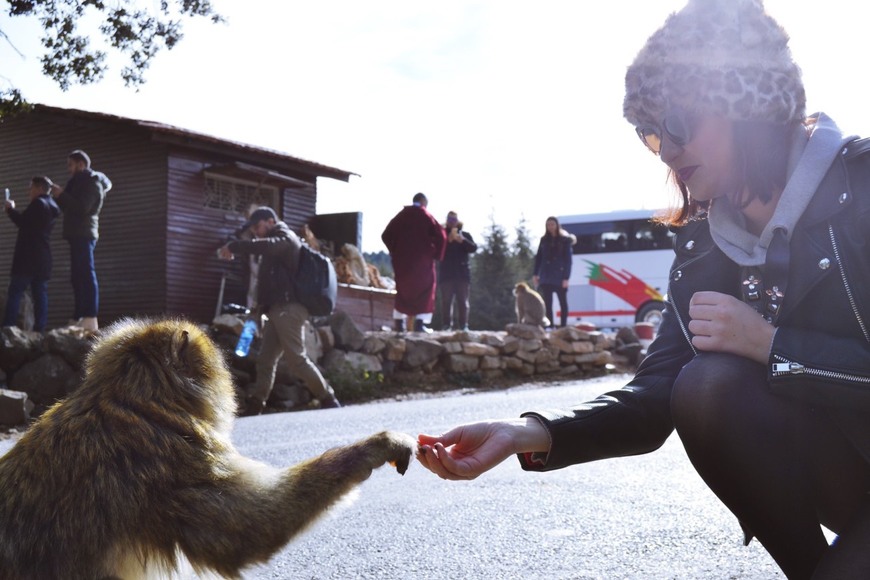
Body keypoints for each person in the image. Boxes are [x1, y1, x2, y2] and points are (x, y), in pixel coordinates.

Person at [416, 1, 870, 577]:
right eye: (650, 134)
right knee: (704, 386)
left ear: (748, 105)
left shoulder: (862, 190)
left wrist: (772, 345)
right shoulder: (709, 243)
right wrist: (528, 432)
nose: (668, 149)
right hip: (850, 475)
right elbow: (657, 394)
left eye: (677, 123)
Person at [219, 206, 340, 414]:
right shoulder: (272, 251)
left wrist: (236, 246)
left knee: (296, 359)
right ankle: (256, 404)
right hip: (276, 311)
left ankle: (328, 398)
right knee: (265, 360)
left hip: (289, 310)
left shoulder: (286, 237)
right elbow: (268, 285)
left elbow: (270, 246)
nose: (256, 232)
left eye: (258, 226)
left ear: (271, 222)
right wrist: (257, 312)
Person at [50, 149, 112, 331]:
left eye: (71, 165)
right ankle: (78, 316)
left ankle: (90, 317)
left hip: (85, 234)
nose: (68, 169)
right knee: (76, 276)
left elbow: (83, 208)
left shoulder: (93, 183)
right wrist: (56, 194)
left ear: (81, 164)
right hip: (75, 234)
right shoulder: (75, 182)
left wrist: (62, 195)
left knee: (86, 274)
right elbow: (66, 205)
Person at [381, 192, 447, 333]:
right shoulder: (426, 216)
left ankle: (399, 324)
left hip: (403, 263)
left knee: (403, 291)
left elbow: (385, 235)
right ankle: (420, 324)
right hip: (422, 263)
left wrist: (395, 251)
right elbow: (441, 235)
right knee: (426, 290)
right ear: (424, 203)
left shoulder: (401, 216)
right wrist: (436, 254)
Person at [2, 176, 61, 332]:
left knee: (15, 292)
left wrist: (10, 210)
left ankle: (8, 328)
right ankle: (39, 330)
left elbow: (24, 223)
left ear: (39, 188)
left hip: (27, 258)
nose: (29, 191)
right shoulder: (53, 206)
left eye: (31, 187)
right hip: (43, 258)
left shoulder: (38, 204)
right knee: (40, 295)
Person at [437, 211, 477, 330]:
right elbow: (437, 250)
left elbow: (473, 248)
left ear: (457, 221)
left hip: (462, 274)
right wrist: (447, 242)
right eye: (450, 220)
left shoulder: (465, 235)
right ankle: (446, 325)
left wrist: (462, 241)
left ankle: (464, 325)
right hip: (446, 274)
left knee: (463, 302)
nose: (452, 223)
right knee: (446, 301)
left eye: (454, 220)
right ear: (447, 221)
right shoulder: (442, 235)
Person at [533, 216, 574, 328]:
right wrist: (535, 274)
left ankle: (563, 326)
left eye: (552, 224)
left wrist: (566, 277)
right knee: (548, 303)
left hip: (560, 276)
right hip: (546, 276)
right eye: (548, 224)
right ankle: (550, 326)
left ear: (557, 225)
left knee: (563, 302)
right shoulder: (544, 240)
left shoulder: (565, 240)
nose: (550, 226)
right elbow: (539, 258)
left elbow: (568, 260)